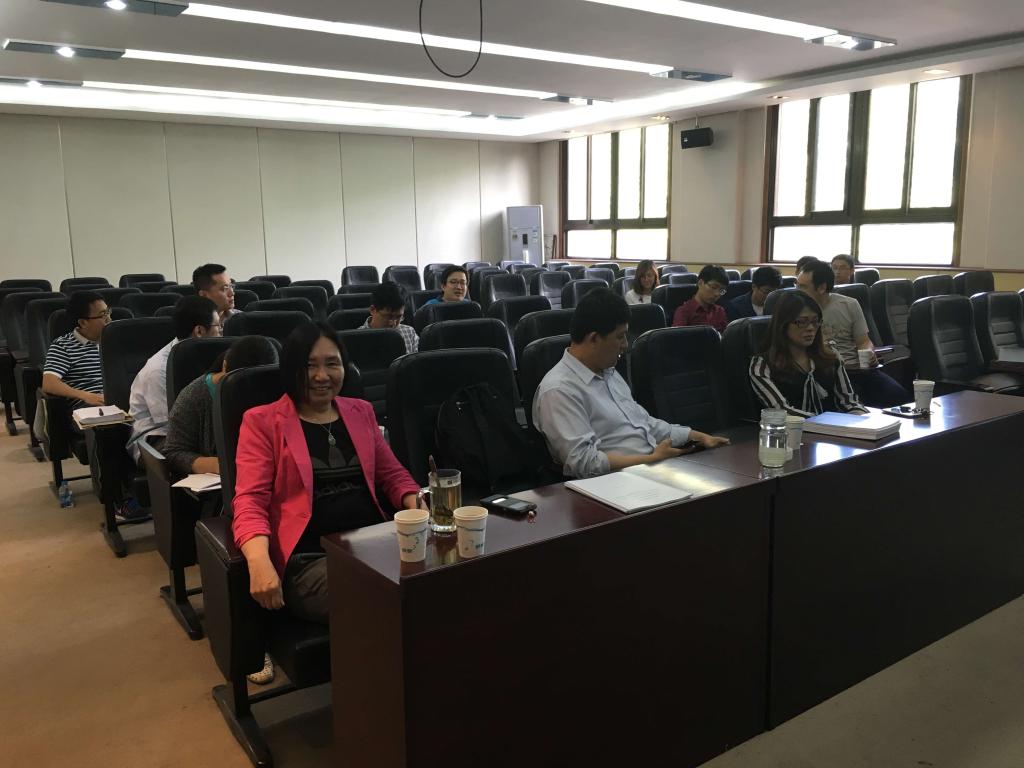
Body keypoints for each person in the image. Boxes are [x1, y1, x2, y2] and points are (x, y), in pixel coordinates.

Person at [232, 322, 421, 625]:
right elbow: (250, 501)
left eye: (332, 364)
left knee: (447, 571)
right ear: (291, 369)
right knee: (384, 594)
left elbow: (393, 475)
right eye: (310, 366)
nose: (322, 376)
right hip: (311, 560)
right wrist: (258, 562)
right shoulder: (262, 422)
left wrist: (420, 507)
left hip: (376, 543)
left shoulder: (360, 411)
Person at [533, 289, 730, 479]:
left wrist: (696, 436)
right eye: (620, 336)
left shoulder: (608, 372)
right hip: (612, 484)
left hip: (648, 470)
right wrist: (650, 460)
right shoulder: (559, 390)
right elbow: (584, 463)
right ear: (594, 338)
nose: (625, 345)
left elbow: (644, 423)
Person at [797, 260, 909, 407]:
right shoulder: (796, 310)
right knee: (856, 404)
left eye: (803, 287)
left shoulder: (849, 304)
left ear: (822, 288)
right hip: (827, 372)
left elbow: (863, 341)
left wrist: (869, 352)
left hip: (858, 369)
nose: (797, 290)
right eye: (797, 285)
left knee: (898, 396)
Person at [127, 296, 221, 463]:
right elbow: (172, 424)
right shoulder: (159, 369)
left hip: (196, 431)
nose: (221, 332)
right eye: (218, 326)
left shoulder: (209, 355)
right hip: (156, 438)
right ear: (199, 331)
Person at [749, 291, 866, 417]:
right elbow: (782, 411)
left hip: (835, 427)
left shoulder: (831, 356)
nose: (810, 328)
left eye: (815, 321)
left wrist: (863, 418)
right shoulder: (763, 365)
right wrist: (821, 423)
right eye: (802, 322)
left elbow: (849, 402)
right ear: (783, 324)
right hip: (795, 428)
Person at [41, 290, 107, 410]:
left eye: (108, 312)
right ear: (83, 322)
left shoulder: (114, 340)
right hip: (90, 406)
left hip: (122, 399)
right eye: (103, 315)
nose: (109, 319)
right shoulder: (63, 345)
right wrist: (85, 396)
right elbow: (49, 383)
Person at [361, 282, 418, 354]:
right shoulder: (357, 338)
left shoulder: (409, 332)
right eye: (388, 316)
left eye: (399, 317)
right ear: (373, 310)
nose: (393, 323)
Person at [672, 264, 729, 333]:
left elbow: (726, 337)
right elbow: (676, 338)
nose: (717, 294)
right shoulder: (684, 312)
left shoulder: (719, 311)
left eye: (721, 291)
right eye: (713, 287)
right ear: (700, 283)